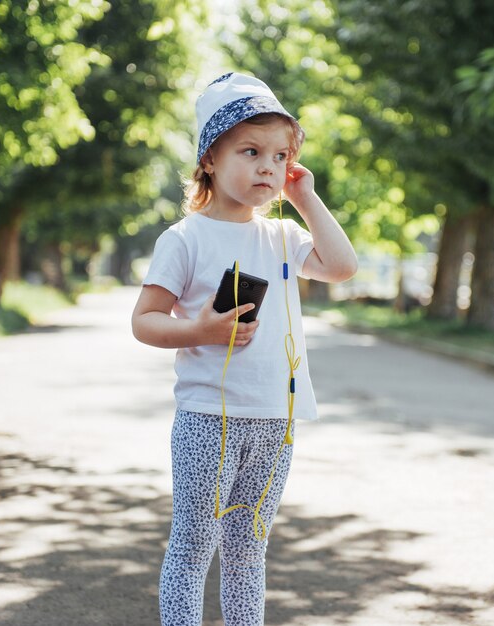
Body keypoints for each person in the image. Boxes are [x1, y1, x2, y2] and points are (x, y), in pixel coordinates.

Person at [131, 72, 357, 626]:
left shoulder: (281, 236)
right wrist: (201, 331)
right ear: (209, 158)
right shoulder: (184, 239)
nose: (267, 167)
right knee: (192, 547)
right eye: (251, 151)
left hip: (276, 420)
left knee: (247, 553)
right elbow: (145, 322)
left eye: (280, 157)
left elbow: (343, 267)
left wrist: (304, 196)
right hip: (209, 416)